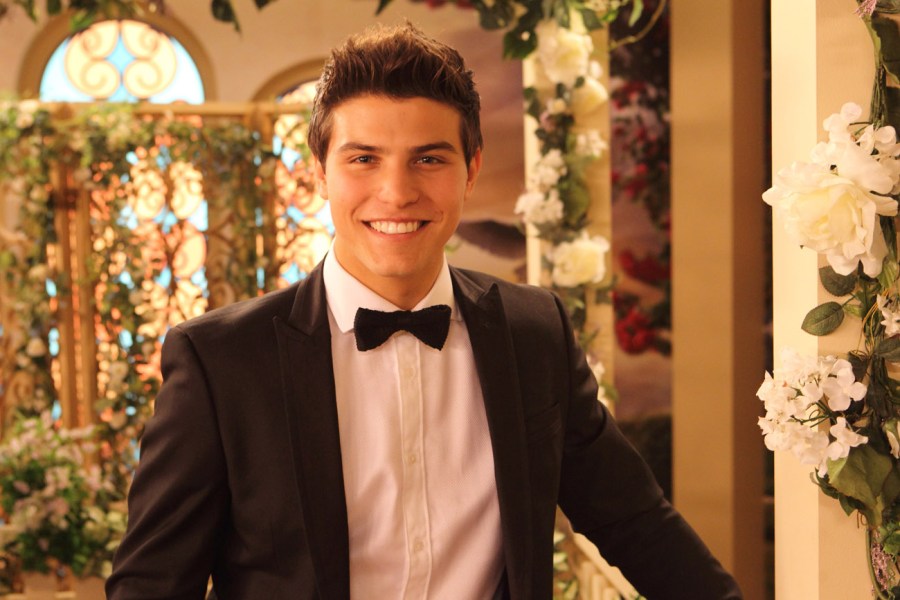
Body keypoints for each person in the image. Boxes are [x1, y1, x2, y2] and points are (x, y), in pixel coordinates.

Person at [106, 23, 741, 600]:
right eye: (364, 159)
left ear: (471, 170)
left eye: (429, 158)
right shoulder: (220, 362)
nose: (397, 192)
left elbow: (635, 523)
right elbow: (152, 585)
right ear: (319, 173)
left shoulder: (534, 332)